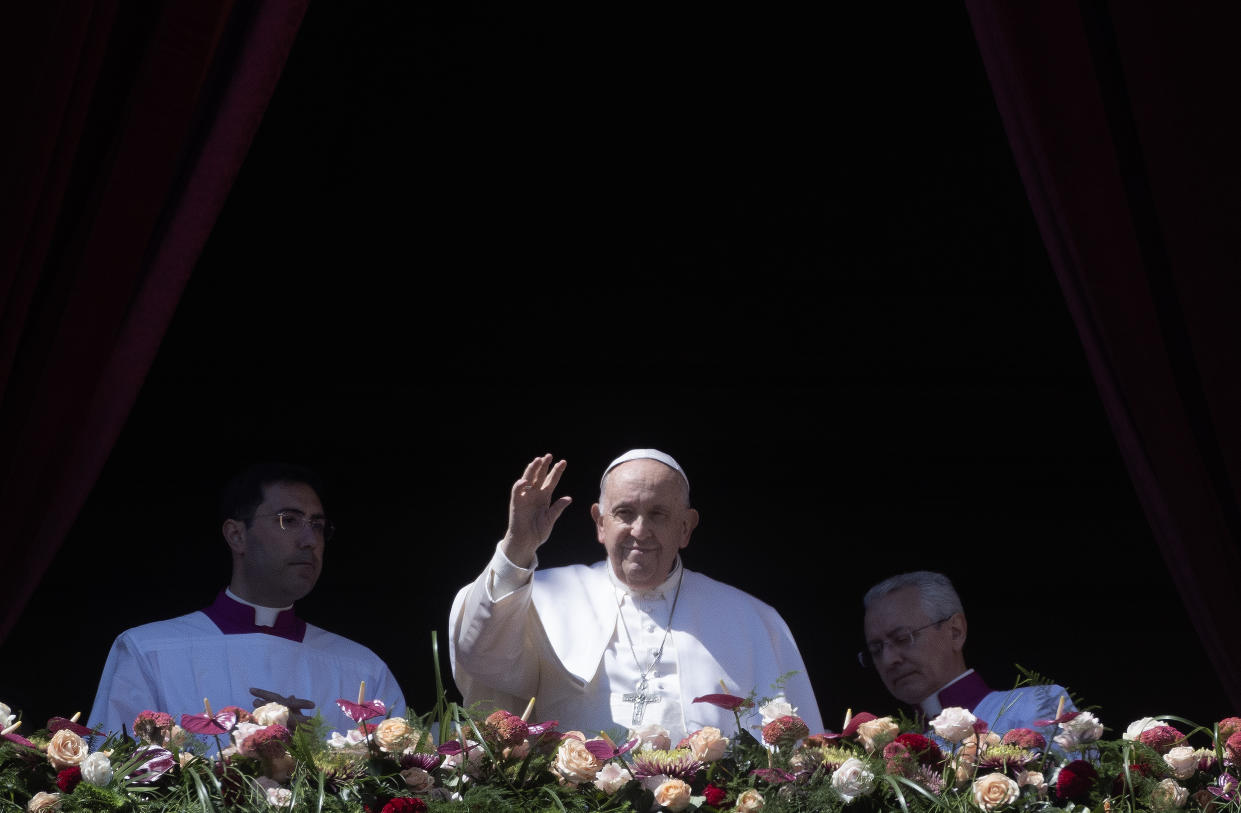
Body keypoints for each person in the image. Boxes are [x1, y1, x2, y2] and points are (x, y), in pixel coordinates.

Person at [449, 450, 823, 745]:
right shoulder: (543, 598)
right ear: (600, 523)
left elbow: (794, 751)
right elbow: (481, 659)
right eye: (624, 513)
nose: (639, 531)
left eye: (658, 514)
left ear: (685, 527)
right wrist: (518, 548)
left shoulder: (750, 619)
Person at [89, 463, 405, 738]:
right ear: (237, 535)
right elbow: (112, 783)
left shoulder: (362, 669)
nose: (310, 541)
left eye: (317, 526)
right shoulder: (148, 651)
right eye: (289, 520)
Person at [860, 570, 1072, 734]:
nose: (888, 660)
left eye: (903, 638)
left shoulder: (1038, 705)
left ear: (955, 632)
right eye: (876, 650)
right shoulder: (894, 754)